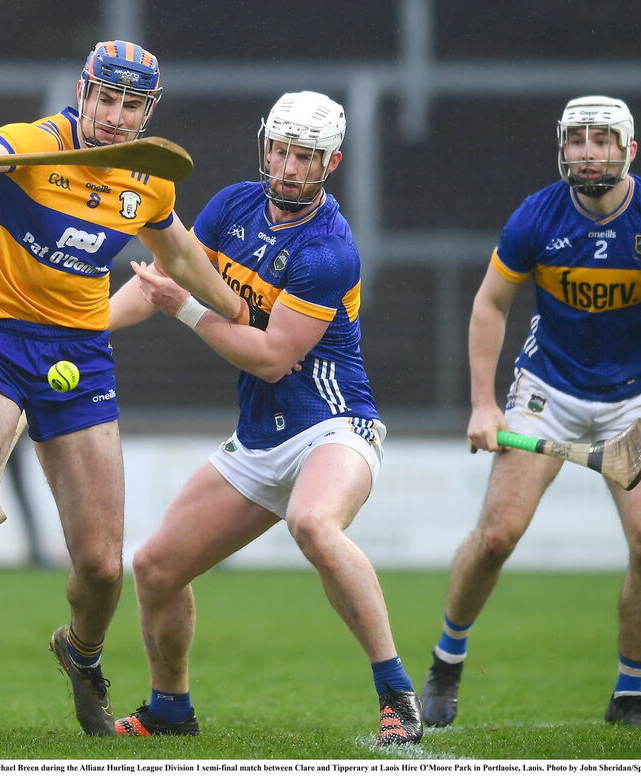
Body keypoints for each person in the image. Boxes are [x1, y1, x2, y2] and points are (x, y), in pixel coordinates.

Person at [0, 40, 245, 743]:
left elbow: (177, 248)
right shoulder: (35, 147)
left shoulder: (147, 179)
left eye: (131, 105)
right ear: (82, 93)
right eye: (105, 99)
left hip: (79, 355)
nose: (115, 116)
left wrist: (232, 307)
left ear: (147, 111)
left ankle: (81, 655)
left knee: (98, 564)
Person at [418, 95, 641, 730]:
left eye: (603, 140)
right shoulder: (536, 217)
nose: (589, 151)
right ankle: (447, 660)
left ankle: (628, 694)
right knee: (496, 537)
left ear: (630, 151)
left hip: (632, 399)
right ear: (562, 149)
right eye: (578, 140)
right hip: (547, 392)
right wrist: (485, 403)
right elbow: (490, 304)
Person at [105, 91, 424, 745]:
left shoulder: (329, 250)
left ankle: (397, 695)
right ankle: (170, 708)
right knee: (156, 567)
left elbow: (275, 358)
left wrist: (185, 309)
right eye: (279, 150)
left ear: (330, 161)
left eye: (304, 156)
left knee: (313, 521)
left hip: (334, 425)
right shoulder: (231, 207)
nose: (286, 167)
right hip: (259, 439)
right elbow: (159, 276)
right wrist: (77, 328)